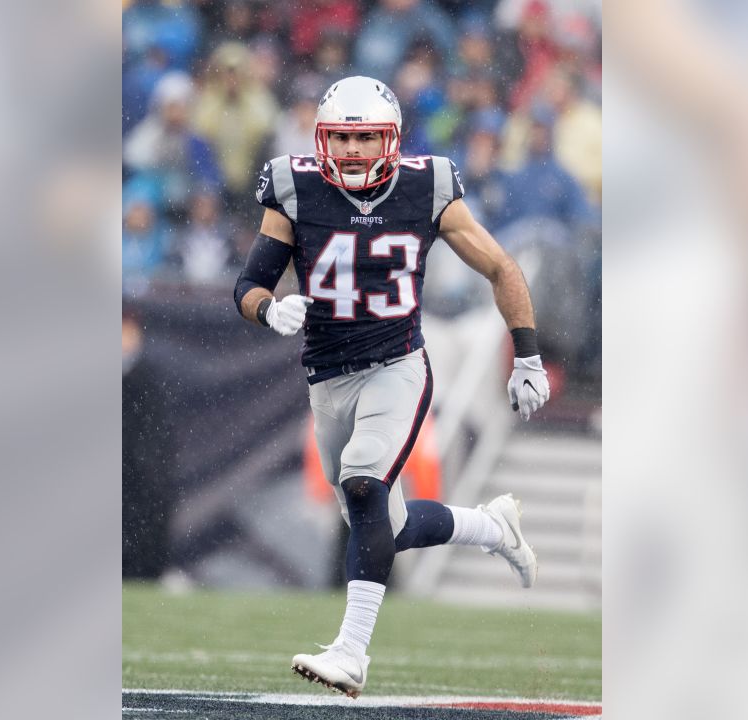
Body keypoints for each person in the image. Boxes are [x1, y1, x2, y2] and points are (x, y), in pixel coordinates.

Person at [231, 76, 552, 698]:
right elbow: (248, 285)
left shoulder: (426, 186)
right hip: (327, 376)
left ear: (392, 140)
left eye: (365, 136)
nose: (352, 150)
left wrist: (528, 358)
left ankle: (351, 652)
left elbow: (499, 266)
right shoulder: (293, 186)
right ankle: (492, 528)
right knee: (384, 523)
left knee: (362, 479)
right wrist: (269, 309)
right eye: (342, 137)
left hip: (397, 364)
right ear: (323, 139)